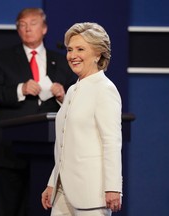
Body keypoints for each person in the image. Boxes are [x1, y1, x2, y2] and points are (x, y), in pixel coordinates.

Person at [0, 7, 76, 216]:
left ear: (44, 28)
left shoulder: (62, 61)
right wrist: (20, 89)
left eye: (32, 24)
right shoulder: (2, 58)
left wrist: (63, 96)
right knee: (6, 209)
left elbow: (77, 104)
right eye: (22, 25)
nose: (27, 29)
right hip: (8, 150)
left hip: (49, 152)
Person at [41, 22, 123, 216]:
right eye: (70, 50)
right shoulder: (72, 90)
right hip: (63, 194)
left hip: (91, 194)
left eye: (80, 49)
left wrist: (113, 187)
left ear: (98, 54)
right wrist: (53, 182)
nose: (72, 55)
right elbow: (64, 144)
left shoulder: (105, 89)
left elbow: (111, 142)